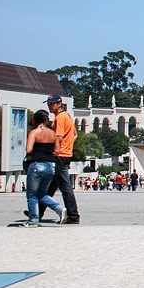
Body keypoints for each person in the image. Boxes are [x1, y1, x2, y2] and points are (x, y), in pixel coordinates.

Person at [23, 110, 67, 227]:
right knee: (42, 193)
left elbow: (29, 150)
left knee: (32, 195)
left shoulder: (34, 132)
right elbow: (57, 151)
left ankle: (33, 220)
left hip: (37, 165)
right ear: (46, 120)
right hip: (51, 165)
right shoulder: (53, 134)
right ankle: (59, 209)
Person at [44, 95, 79, 223]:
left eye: (52, 104)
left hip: (60, 155)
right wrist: (68, 144)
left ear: (59, 104)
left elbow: (58, 137)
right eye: (48, 104)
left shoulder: (59, 118)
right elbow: (74, 135)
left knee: (65, 187)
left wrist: (50, 147)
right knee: (50, 187)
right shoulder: (68, 116)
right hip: (66, 154)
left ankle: (73, 216)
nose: (50, 106)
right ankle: (37, 212)